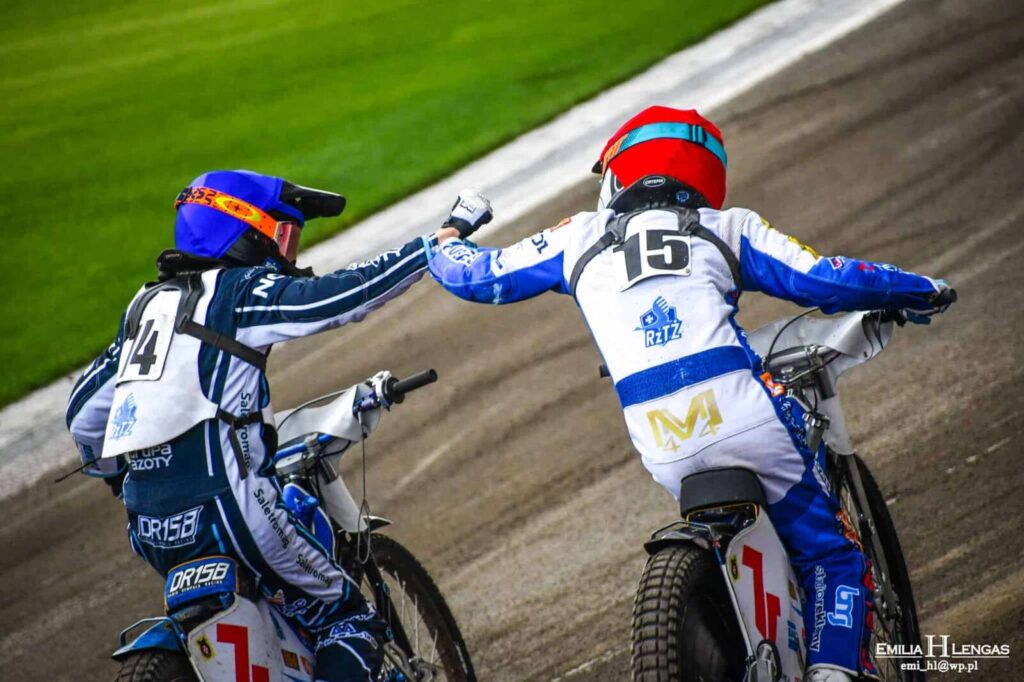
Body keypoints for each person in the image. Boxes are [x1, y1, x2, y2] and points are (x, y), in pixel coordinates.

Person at [426, 106, 955, 681]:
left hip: (661, 444)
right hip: (745, 417)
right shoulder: (727, 227)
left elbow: (474, 275)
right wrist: (918, 289)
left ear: (619, 174)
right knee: (832, 555)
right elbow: (827, 278)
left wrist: (448, 235)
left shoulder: (576, 237)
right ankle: (832, 668)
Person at [64, 169, 489, 681]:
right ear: (241, 231)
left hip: (149, 527)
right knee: (348, 620)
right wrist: (436, 243)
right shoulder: (237, 291)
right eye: (282, 235)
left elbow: (82, 417)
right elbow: (342, 297)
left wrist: (120, 478)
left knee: (270, 601)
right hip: (232, 511)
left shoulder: (144, 306)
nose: (287, 253)